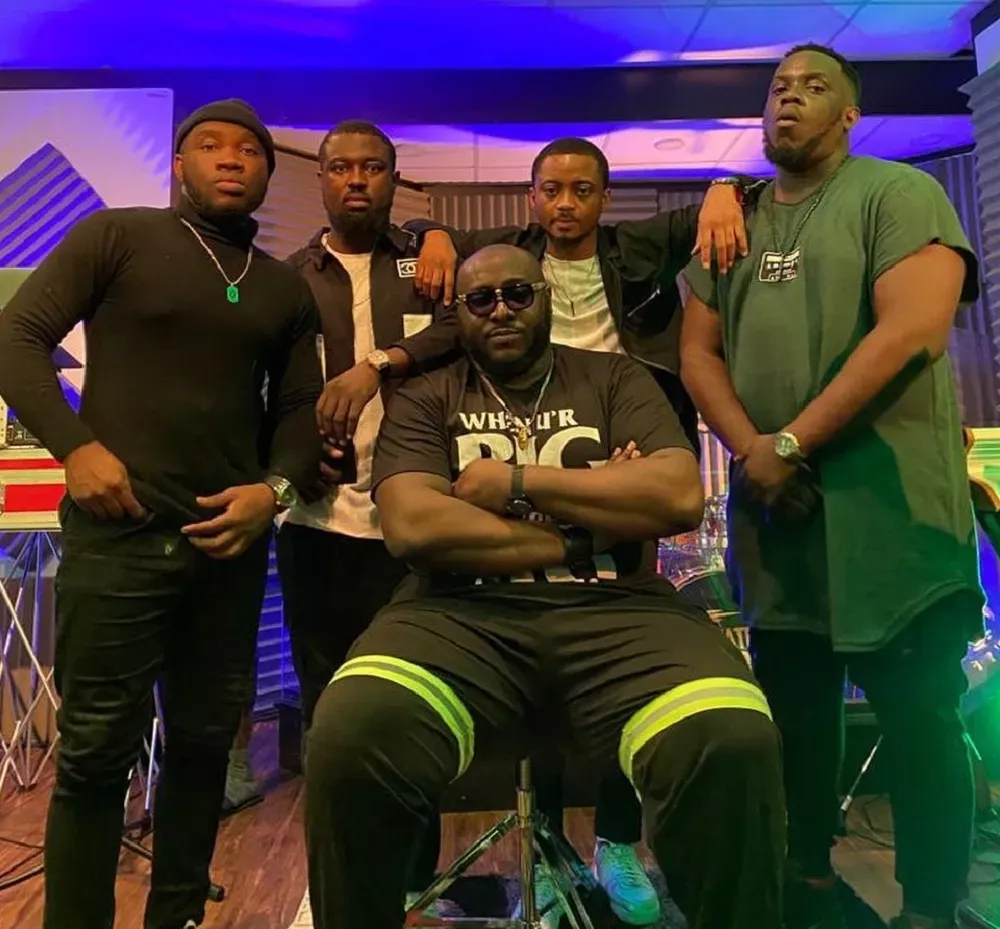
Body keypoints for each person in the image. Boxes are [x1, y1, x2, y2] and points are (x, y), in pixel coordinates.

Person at [303, 243, 785, 929]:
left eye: (517, 293)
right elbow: (414, 525)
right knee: (347, 733)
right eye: (480, 299)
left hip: (620, 610)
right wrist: (589, 525)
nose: (500, 309)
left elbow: (677, 493)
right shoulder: (425, 396)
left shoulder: (615, 377)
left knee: (732, 734)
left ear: (547, 297)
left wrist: (514, 483)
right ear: (459, 312)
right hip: (458, 614)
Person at [403, 136, 759, 925]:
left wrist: (726, 183)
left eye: (582, 189)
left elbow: (743, 192)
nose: (565, 203)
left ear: (604, 196)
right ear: (531, 196)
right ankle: (548, 841)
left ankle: (617, 842)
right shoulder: (509, 254)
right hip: (523, 463)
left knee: (622, 666)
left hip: (620, 455)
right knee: (536, 658)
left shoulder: (638, 248)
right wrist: (432, 231)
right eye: (551, 189)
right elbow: (434, 243)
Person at [0, 99, 324, 929]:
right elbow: (16, 338)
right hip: (120, 538)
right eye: (210, 145)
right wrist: (75, 446)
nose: (231, 158)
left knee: (204, 747)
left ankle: (176, 913)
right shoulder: (118, 235)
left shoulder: (284, 287)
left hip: (228, 544)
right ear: (180, 165)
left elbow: (298, 411)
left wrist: (273, 493)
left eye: (249, 149)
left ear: (267, 171)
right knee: (94, 753)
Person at [680, 44, 982, 929]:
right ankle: (807, 884)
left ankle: (931, 907)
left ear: (850, 114)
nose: (790, 99)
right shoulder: (730, 224)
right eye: (778, 87)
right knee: (796, 721)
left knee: (921, 725)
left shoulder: (898, 194)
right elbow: (696, 353)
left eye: (814, 88)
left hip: (894, 523)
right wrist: (756, 455)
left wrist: (790, 442)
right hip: (779, 524)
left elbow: (914, 331)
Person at [277, 120, 459, 924]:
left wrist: (378, 363)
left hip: (416, 521)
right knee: (329, 710)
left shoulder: (428, 266)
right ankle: (335, 882)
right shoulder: (288, 279)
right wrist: (292, 455)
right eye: (341, 167)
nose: (356, 180)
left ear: (394, 177)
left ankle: (416, 874)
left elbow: (466, 326)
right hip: (318, 525)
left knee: (415, 701)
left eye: (373, 167)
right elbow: (262, 386)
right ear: (320, 178)